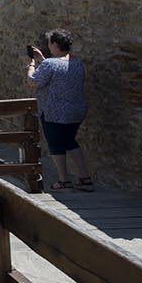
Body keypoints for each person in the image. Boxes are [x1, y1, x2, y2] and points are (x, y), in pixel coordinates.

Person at [24, 29, 92, 192]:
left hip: (53, 111)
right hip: (75, 110)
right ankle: (85, 179)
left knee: (56, 145)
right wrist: (43, 59)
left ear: (54, 44)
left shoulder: (49, 64)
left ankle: (64, 181)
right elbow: (59, 71)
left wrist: (31, 65)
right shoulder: (77, 62)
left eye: (49, 42)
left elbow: (33, 81)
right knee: (70, 141)